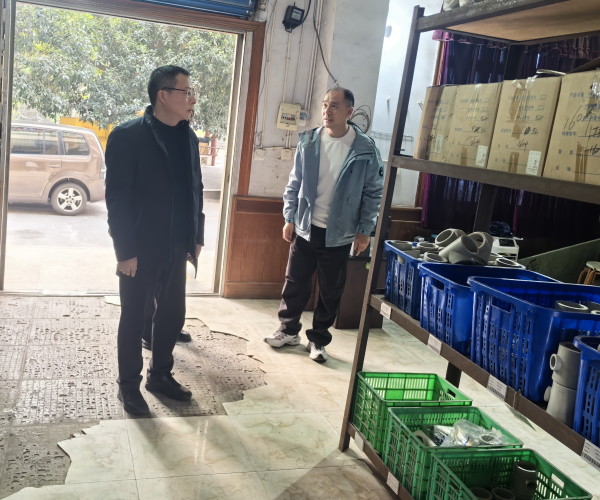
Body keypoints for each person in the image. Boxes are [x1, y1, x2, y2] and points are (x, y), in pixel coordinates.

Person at [105, 65, 205, 416]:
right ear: (163, 95)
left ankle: (160, 375)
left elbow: (195, 189)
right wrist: (125, 251)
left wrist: (196, 235)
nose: (192, 99)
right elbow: (117, 198)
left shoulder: (189, 137)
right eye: (186, 92)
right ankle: (128, 385)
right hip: (140, 248)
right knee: (135, 318)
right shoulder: (127, 136)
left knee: (173, 315)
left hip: (177, 245)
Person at [264, 88, 384, 362]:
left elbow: (373, 192)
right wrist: (289, 217)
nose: (327, 111)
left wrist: (365, 230)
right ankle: (288, 330)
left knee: (331, 290)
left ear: (349, 112)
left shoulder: (365, 149)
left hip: (339, 233)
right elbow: (294, 182)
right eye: (325, 105)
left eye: (335, 106)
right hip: (306, 227)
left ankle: (318, 340)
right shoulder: (309, 141)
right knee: (295, 282)